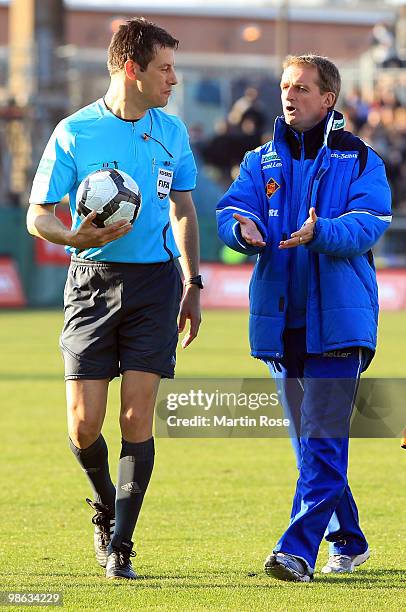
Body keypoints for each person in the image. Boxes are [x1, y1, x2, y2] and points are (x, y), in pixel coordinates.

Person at [27, 18, 202, 580]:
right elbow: (38, 216)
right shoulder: (74, 132)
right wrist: (72, 237)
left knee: (136, 415)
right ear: (133, 69)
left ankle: (121, 542)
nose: (174, 80)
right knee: (84, 424)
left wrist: (194, 284)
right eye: (165, 69)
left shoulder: (172, 132)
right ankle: (106, 504)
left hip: (156, 283)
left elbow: (182, 209)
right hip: (91, 281)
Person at [216, 54, 391, 582]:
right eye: (286, 86)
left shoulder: (362, 160)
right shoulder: (260, 160)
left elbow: (368, 224)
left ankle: (295, 551)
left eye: (303, 88)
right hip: (281, 323)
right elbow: (230, 209)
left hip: (340, 324)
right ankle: (352, 541)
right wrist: (239, 229)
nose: (290, 95)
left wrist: (323, 232)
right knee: (313, 449)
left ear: (328, 98)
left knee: (320, 443)